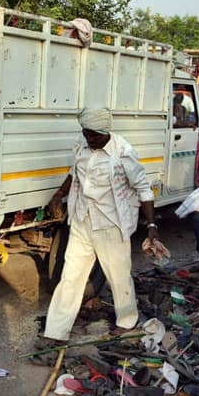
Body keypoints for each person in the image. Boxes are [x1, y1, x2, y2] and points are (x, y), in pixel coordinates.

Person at [43, 108, 159, 338]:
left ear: (106, 131)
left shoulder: (123, 152)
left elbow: (144, 190)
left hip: (111, 225)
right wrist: (58, 195)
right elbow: (73, 173)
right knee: (70, 277)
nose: (90, 139)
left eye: (94, 135)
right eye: (86, 133)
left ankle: (127, 323)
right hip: (82, 220)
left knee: (118, 275)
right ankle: (55, 332)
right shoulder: (81, 144)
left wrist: (152, 227)